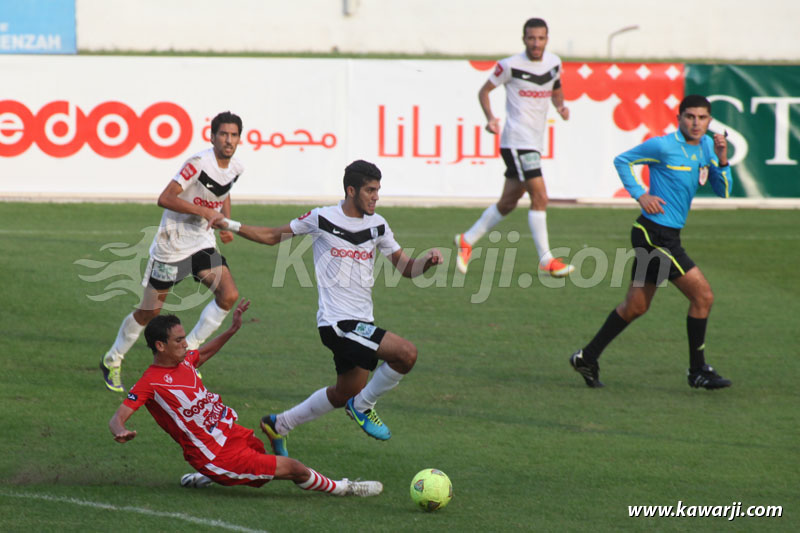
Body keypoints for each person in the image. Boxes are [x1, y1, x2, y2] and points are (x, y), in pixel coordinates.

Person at [209, 160, 443, 455]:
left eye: (378, 190)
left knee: (345, 392)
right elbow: (272, 236)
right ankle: (363, 407)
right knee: (406, 354)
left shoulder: (378, 225)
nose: (376, 196)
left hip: (362, 323)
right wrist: (229, 224)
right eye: (370, 190)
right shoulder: (322, 218)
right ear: (351, 190)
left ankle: (279, 424)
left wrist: (427, 262)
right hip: (337, 324)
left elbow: (406, 268)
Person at [108, 300, 383, 497]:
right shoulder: (150, 382)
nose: (185, 343)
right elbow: (117, 417)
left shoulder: (184, 360)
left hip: (230, 434)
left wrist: (232, 329)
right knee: (293, 468)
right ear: (160, 345)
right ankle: (345, 488)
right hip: (214, 454)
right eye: (179, 340)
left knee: (261, 456)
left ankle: (204, 478)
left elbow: (204, 352)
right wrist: (120, 430)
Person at [569, 94, 733, 390]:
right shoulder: (662, 146)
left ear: (709, 121)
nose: (696, 123)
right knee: (703, 297)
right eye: (690, 117)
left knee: (636, 307)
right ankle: (698, 371)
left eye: (702, 118)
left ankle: (586, 357)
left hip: (665, 235)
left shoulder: (708, 146)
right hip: (654, 236)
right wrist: (640, 194)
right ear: (679, 118)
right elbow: (622, 160)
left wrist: (722, 159)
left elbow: (723, 191)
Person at [101, 111, 244, 393]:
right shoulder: (197, 164)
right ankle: (112, 358)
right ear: (212, 137)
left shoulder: (236, 167)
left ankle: (188, 354)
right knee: (149, 311)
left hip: (201, 242)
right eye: (223, 134)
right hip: (172, 244)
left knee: (228, 295)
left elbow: (223, 191)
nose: (229, 140)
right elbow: (165, 198)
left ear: (239, 138)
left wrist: (225, 222)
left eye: (234, 135)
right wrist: (203, 211)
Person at [455, 17, 573, 278]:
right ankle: (546, 260)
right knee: (540, 197)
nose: (536, 43)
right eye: (531, 38)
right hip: (517, 141)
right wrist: (490, 118)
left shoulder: (554, 63)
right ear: (524, 39)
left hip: (534, 142)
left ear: (547, 39)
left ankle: (467, 239)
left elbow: (556, 88)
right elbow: (484, 91)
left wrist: (561, 106)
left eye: (540, 38)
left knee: (508, 202)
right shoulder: (509, 65)